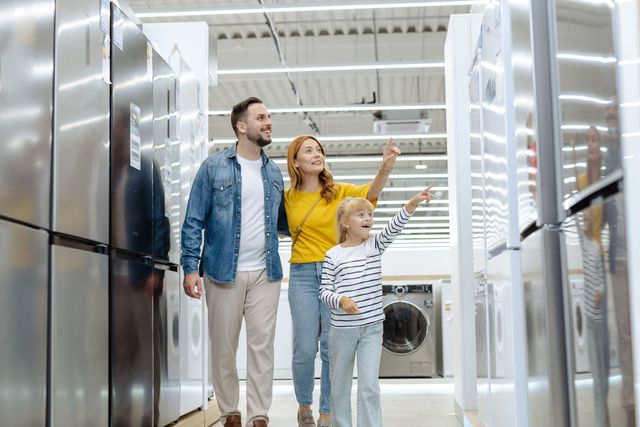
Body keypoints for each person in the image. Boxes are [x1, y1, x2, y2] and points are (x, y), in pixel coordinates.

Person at [181, 97, 287, 427]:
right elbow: (193, 220)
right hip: (222, 271)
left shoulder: (273, 171)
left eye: (269, 116)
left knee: (262, 347)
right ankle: (230, 411)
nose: (268, 121)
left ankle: (258, 416)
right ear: (241, 127)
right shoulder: (213, 167)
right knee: (224, 347)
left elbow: (282, 222)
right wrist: (189, 268)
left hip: (266, 274)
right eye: (261, 117)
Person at [284, 135, 400, 427]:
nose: (316, 154)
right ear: (295, 162)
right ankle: (303, 404)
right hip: (300, 273)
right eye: (308, 150)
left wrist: (384, 168)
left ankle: (326, 412)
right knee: (304, 347)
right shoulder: (287, 198)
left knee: (329, 345)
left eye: (319, 149)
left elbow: (370, 193)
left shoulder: (339, 192)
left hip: (334, 270)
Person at [319, 186, 434, 427]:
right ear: (345, 221)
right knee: (339, 386)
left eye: (370, 215)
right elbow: (324, 291)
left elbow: (394, 226)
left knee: (369, 385)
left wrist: (411, 204)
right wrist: (342, 300)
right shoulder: (333, 255)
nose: (368, 219)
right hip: (342, 330)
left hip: (372, 328)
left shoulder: (374, 246)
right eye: (360, 214)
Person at [572, 127, 610, 427]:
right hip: (593, 297)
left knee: (601, 348)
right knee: (598, 353)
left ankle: (603, 406)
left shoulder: (595, 245)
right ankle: (600, 410)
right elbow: (577, 212)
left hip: (598, 297)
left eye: (594, 139)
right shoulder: (588, 242)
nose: (590, 144)